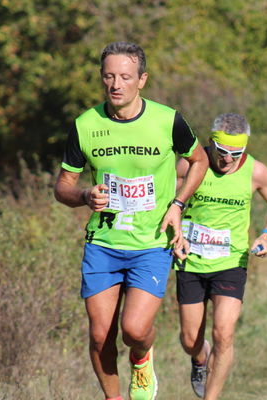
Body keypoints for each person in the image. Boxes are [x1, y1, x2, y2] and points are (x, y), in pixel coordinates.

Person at [54, 41, 208, 400]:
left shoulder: (168, 120)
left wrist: (178, 204)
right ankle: (114, 397)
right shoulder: (85, 125)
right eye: (109, 76)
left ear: (142, 80)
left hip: (151, 244)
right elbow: (63, 187)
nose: (116, 84)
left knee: (135, 330)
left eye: (125, 76)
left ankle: (142, 360)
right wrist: (83, 195)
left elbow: (199, 161)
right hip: (104, 244)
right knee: (99, 335)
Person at [172, 113, 267, 399]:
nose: (228, 160)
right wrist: (174, 230)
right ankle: (200, 359)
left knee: (224, 333)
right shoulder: (189, 165)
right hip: (191, 261)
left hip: (231, 263)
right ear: (211, 143)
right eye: (222, 152)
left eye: (236, 154)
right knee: (189, 340)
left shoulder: (257, 172)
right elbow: (168, 202)